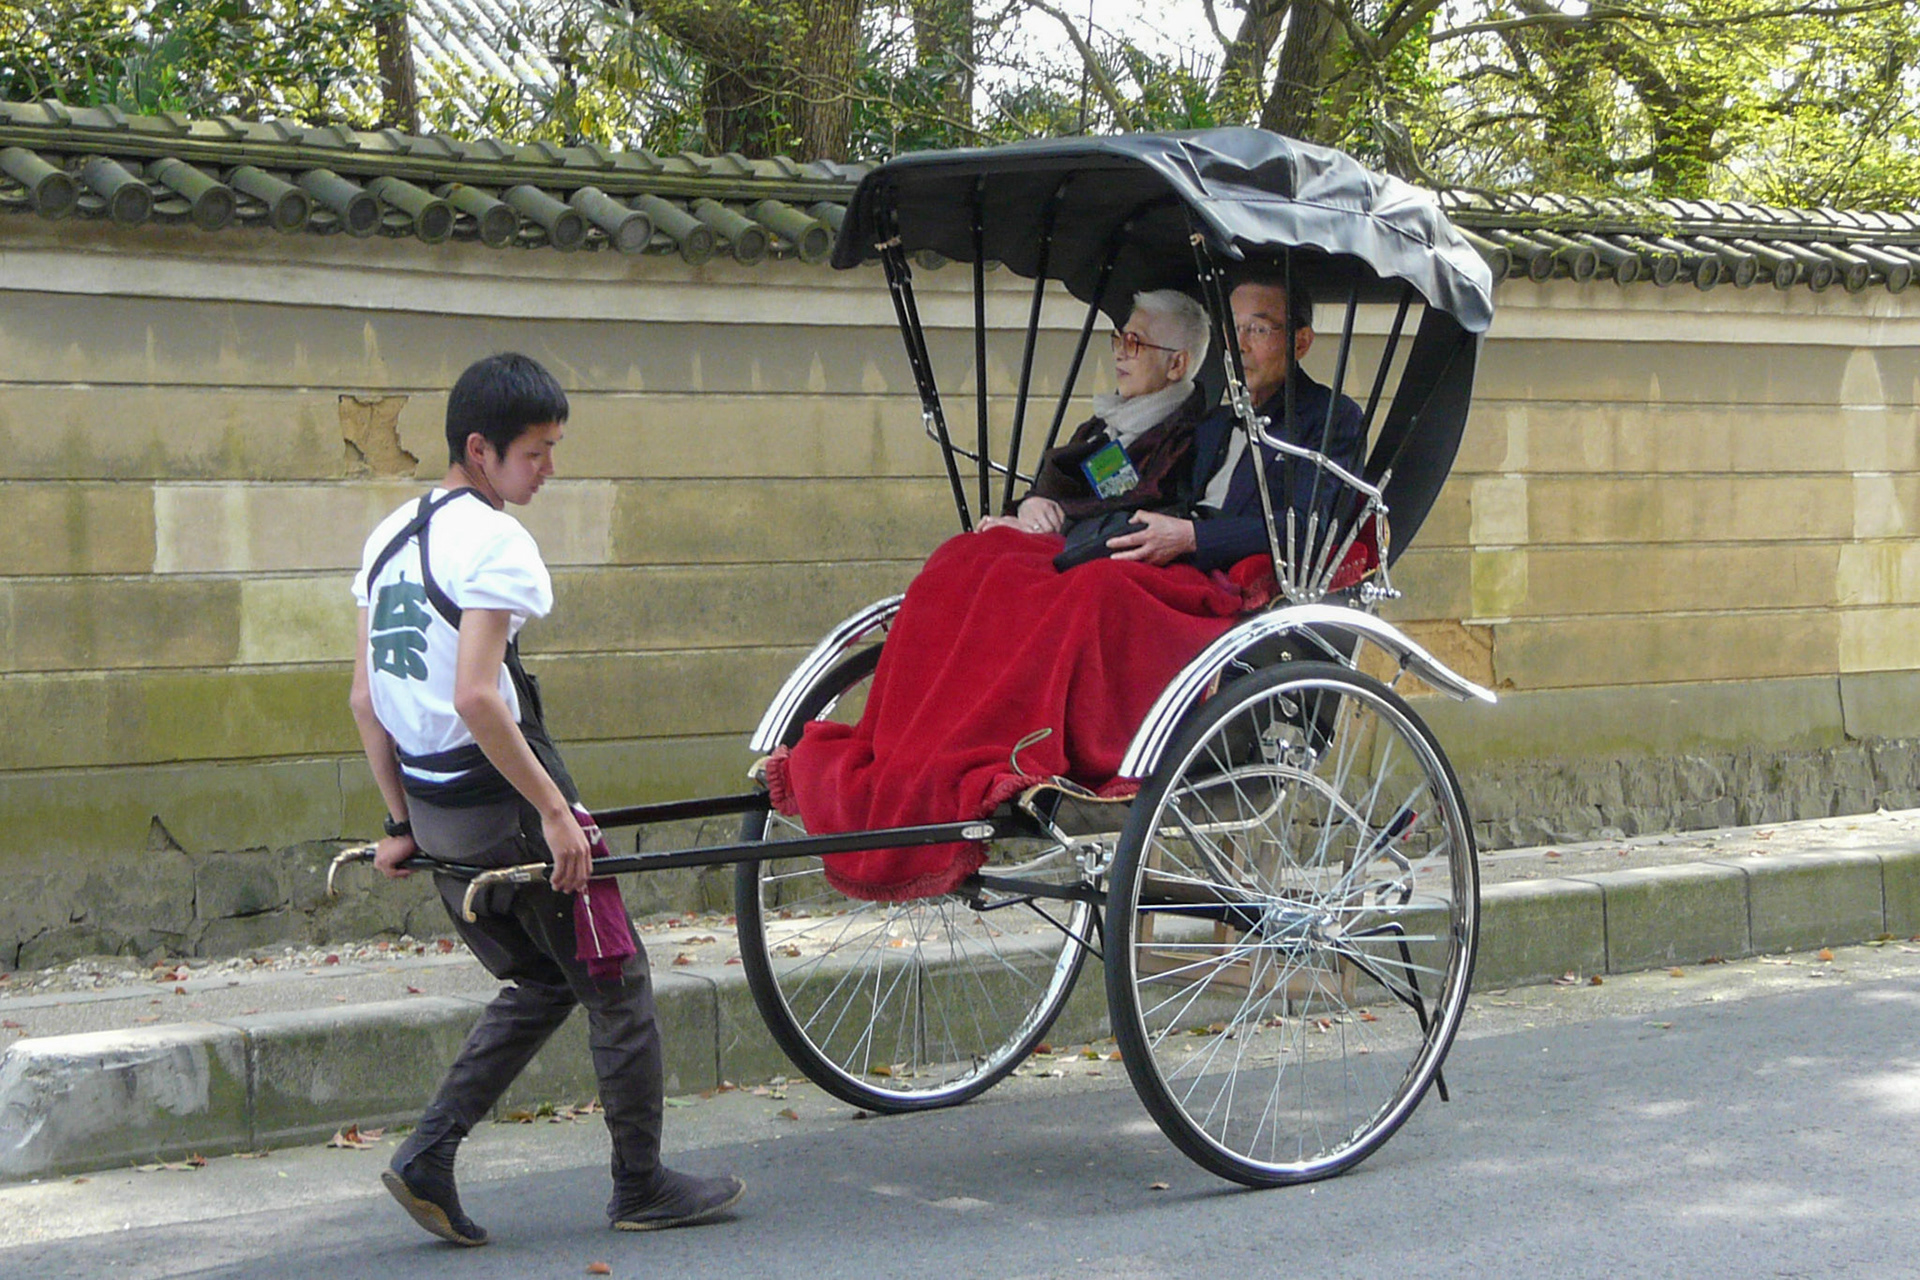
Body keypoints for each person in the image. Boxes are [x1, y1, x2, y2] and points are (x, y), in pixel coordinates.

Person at [348, 352, 743, 1247]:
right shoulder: (493, 543)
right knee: (618, 979)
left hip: (440, 809)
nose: (548, 470)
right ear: (479, 450)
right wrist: (558, 816)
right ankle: (640, 1186)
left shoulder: (388, 538)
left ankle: (428, 1160)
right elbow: (480, 698)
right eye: (535, 452)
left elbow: (367, 701)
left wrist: (402, 824)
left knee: (541, 977)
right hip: (510, 804)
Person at [1105, 273, 1367, 572]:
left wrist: (1193, 537)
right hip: (1170, 561)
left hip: (1228, 578)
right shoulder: (1212, 422)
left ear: (1301, 342)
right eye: (1233, 328)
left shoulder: (1329, 418)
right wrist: (1051, 501)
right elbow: (1134, 482)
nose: (1240, 344)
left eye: (1258, 329)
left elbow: (1310, 527)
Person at [979, 288, 1211, 539]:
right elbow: (1054, 486)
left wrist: (1055, 518)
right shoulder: (1102, 425)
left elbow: (1140, 507)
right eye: (1119, 339)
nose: (1119, 353)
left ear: (1176, 364)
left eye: (1134, 342)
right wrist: (1032, 505)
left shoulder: (1189, 439)